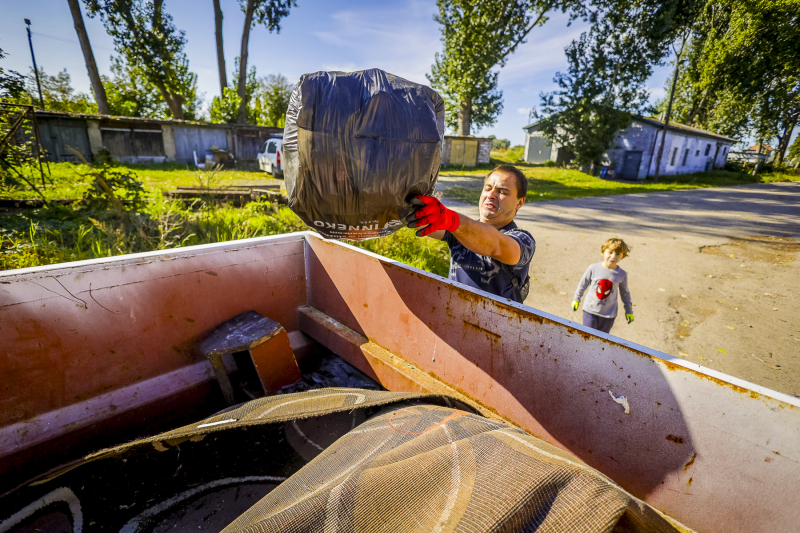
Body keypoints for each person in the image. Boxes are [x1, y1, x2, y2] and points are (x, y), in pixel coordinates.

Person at [405, 164, 535, 303]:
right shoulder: (460, 230)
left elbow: (497, 246)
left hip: (498, 317)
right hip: (451, 314)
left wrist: (452, 220)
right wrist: (402, 201)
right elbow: (416, 219)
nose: (491, 195)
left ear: (519, 202)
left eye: (502, 192)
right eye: (488, 188)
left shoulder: (524, 240)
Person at [571, 238, 634, 334]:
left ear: (623, 256)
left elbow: (625, 293)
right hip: (590, 310)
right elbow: (583, 284)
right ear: (602, 252)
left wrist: (628, 310)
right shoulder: (593, 268)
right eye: (610, 252)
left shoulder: (621, 274)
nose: (613, 256)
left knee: (601, 339)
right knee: (587, 336)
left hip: (609, 314)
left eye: (618, 254)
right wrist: (576, 299)